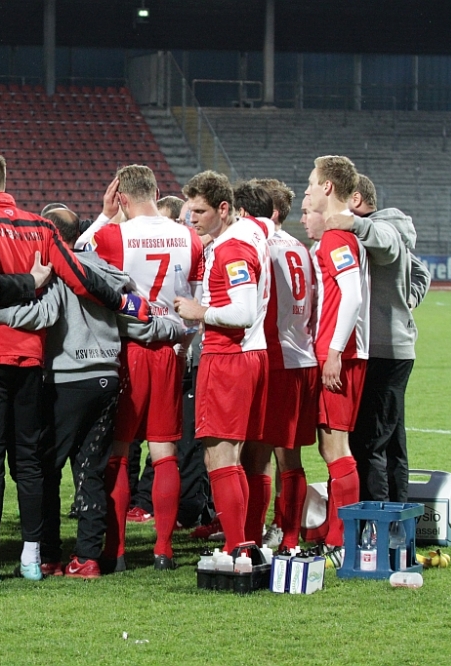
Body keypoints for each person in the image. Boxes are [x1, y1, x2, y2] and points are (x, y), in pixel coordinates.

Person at [0, 152, 148, 583]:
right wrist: (122, 302)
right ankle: (32, 559)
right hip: (34, 361)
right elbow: (79, 276)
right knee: (31, 463)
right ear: (5, 183)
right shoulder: (40, 228)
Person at [91, 167, 203, 572]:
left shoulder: (113, 235)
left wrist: (104, 215)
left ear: (120, 197)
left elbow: (77, 257)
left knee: (119, 450)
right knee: (164, 451)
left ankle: (117, 550)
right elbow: (196, 298)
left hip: (128, 348)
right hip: (170, 349)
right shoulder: (189, 236)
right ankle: (164, 550)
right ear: (156, 192)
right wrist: (184, 343)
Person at [174, 170, 271, 555]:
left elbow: (242, 311)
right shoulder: (250, 233)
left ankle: (237, 549)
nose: (191, 218)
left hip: (229, 357)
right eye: (190, 210)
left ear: (224, 208)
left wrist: (200, 311)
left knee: (220, 457)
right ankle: (247, 542)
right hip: (252, 355)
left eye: (200, 211)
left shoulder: (232, 249)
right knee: (242, 458)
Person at [327, 174, 430, 503]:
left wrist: (351, 223)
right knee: (391, 439)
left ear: (355, 200)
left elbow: (385, 243)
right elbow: (421, 272)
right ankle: (398, 518)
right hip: (391, 346)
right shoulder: (389, 229)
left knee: (370, 441)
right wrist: (407, 299)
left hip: (384, 349)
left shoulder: (383, 228)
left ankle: (377, 521)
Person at [234, 180, 318, 550]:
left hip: (274, 359)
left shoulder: (259, 245)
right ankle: (288, 536)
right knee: (290, 456)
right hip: (303, 356)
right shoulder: (301, 248)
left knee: (257, 455)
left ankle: (253, 537)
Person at [301, 155, 368, 568]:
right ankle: (334, 532)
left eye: (311, 183)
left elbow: (353, 296)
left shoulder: (336, 237)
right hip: (337, 352)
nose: (308, 190)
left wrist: (336, 352)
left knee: (336, 447)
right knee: (331, 446)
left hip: (339, 355)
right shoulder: (339, 235)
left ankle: (343, 540)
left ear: (327, 187)